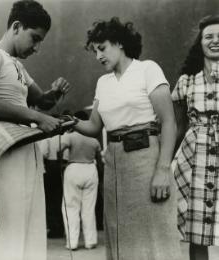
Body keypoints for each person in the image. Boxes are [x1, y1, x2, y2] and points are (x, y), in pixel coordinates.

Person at [74, 17, 182, 259]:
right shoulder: (103, 82)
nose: (98, 56)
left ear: (120, 43)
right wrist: (69, 123)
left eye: (102, 48)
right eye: (94, 51)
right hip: (114, 166)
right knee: (120, 234)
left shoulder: (147, 69)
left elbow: (169, 122)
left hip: (147, 160)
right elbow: (93, 126)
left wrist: (163, 170)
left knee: (154, 234)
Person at [0, 1, 71, 259]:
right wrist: (36, 117)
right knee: (10, 233)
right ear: (16, 26)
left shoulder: (17, 65)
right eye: (34, 38)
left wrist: (55, 92)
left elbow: (42, 100)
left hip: (26, 150)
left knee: (32, 229)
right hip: (3, 151)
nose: (37, 48)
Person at [172, 14, 219, 260]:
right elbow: (178, 127)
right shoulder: (186, 81)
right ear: (199, 43)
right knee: (197, 232)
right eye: (208, 36)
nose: (215, 41)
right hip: (194, 159)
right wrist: (164, 163)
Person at [60, 110, 101, 250]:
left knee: (71, 206)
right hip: (90, 169)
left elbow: (59, 149)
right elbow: (99, 159)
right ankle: (90, 241)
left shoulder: (71, 137)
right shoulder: (94, 140)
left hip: (74, 168)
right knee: (89, 208)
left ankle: (72, 242)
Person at [39, 132, 68, 239]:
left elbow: (43, 152)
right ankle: (62, 226)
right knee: (60, 197)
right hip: (64, 164)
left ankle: (55, 228)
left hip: (51, 166)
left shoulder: (48, 138)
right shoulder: (65, 136)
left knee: (51, 198)